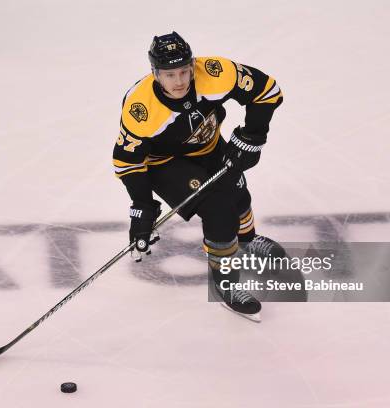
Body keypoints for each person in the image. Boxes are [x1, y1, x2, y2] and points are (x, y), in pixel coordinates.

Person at [112, 31, 284, 318]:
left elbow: (267, 91)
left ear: (192, 66)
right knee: (218, 210)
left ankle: (247, 239)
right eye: (169, 75)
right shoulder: (140, 108)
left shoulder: (216, 73)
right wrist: (142, 206)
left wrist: (253, 137)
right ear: (155, 73)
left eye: (183, 71)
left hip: (209, 144)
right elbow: (127, 162)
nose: (179, 81)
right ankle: (226, 285)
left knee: (238, 191)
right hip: (164, 162)